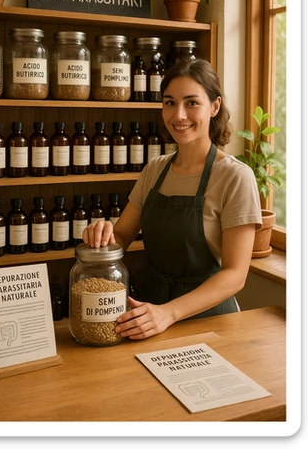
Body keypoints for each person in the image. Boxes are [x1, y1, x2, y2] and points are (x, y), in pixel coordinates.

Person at [82, 59, 262, 340]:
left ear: (214, 106)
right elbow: (122, 236)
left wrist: (169, 313)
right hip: (148, 312)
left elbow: (235, 274)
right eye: (169, 103)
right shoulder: (155, 169)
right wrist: (102, 235)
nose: (178, 115)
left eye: (192, 103)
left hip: (209, 320)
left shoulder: (235, 177)